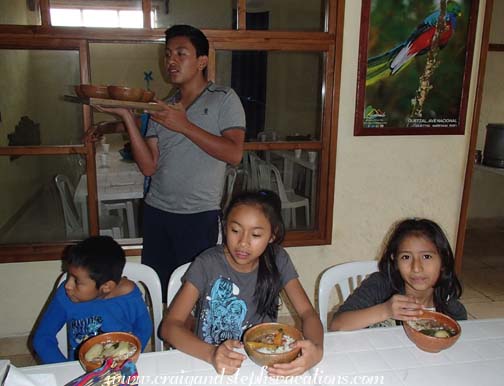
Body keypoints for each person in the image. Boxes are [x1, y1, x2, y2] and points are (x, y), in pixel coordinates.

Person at [94, 25, 246, 301]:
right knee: (161, 291)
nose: (171, 61)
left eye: (180, 53)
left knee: (195, 295)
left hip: (198, 217)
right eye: (167, 55)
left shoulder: (224, 98)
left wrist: (185, 125)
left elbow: (234, 153)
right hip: (156, 213)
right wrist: (128, 118)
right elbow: (149, 166)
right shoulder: (160, 107)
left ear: (202, 61)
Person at [160, 190, 323, 376]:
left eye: (255, 235)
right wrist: (212, 354)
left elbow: (308, 313)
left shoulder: (278, 260)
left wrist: (316, 351)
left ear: (272, 236)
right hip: (208, 362)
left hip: (261, 363)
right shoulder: (207, 264)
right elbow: (170, 326)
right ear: (225, 227)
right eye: (235, 230)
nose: (243, 243)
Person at [330, 218, 467, 331]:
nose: (416, 268)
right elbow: (336, 325)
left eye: (426, 257)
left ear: (443, 261)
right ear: (394, 260)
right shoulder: (380, 285)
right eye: (406, 257)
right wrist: (386, 310)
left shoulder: (451, 310)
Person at [33, 236, 153, 364]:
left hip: (121, 365)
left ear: (106, 286)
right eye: (69, 275)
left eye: (76, 281)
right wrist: (63, 369)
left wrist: (129, 357)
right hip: (80, 368)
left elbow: (144, 328)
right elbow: (42, 338)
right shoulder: (66, 295)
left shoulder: (128, 296)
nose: (68, 285)